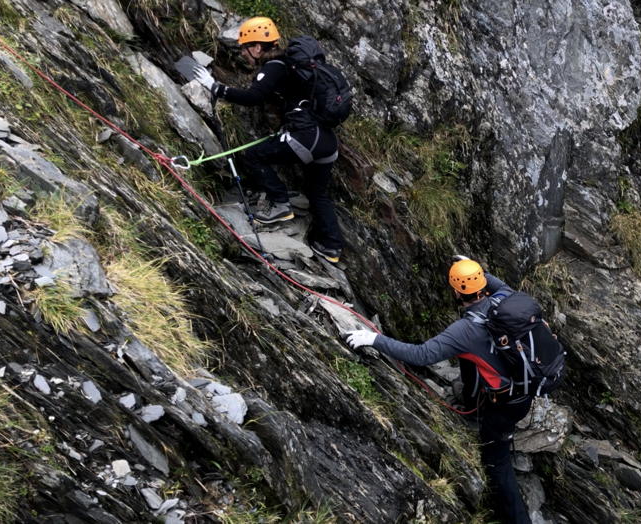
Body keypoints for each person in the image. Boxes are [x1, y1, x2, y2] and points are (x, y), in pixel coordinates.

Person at [344, 258, 533, 524]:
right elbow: (496, 283)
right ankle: (472, 399)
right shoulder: (506, 298)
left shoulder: (464, 330)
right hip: (525, 386)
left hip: (504, 406)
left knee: (497, 463)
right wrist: (474, 269)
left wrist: (374, 339)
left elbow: (421, 355)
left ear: (457, 292)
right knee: (471, 357)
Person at [192, 17, 344, 263]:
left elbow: (254, 96)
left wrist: (216, 88)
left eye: (244, 47)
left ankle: (280, 204)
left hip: (304, 136)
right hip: (326, 141)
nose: (243, 53)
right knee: (319, 194)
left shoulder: (274, 66)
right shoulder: (294, 66)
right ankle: (331, 247)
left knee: (253, 156)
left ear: (257, 47)